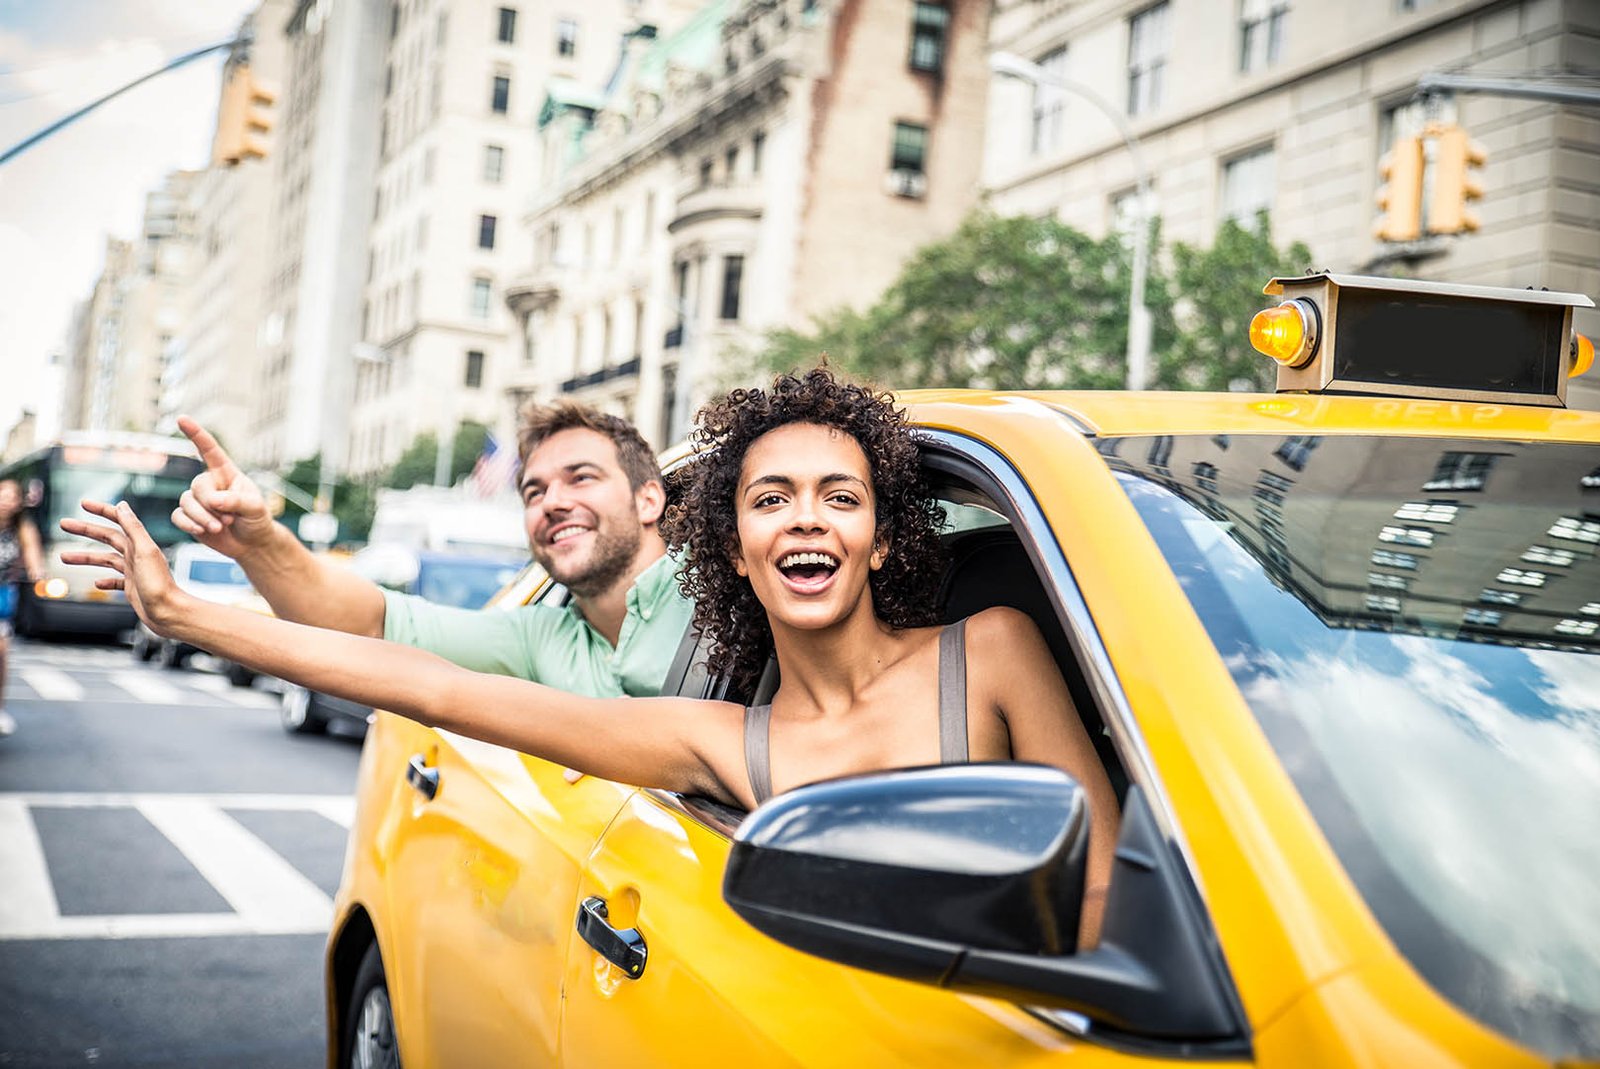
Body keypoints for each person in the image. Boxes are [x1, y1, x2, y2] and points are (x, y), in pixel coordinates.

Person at [64, 370, 1120, 945]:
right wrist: (188, 611)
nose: (808, 521)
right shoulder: (708, 737)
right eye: (769, 501)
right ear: (735, 554)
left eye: (840, 498)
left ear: (885, 536)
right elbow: (428, 681)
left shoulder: (993, 652)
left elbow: (1112, 902)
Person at [167, 404, 694, 700]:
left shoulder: (725, 590)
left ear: (649, 499)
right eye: (534, 492)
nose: (553, 502)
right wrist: (257, 543)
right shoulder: (540, 636)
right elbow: (371, 625)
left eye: (581, 478)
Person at [0, 478, 45, 738]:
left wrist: (38, 571)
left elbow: (33, 555)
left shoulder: (22, 528)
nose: (6, 501)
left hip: (4, 593)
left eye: (12, 497)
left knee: (2, 651)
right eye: (2, 495)